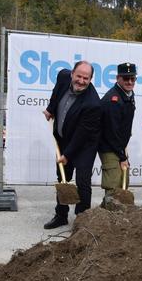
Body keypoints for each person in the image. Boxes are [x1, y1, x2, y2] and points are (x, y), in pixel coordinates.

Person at [42, 60, 101, 229]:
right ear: (72, 74)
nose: (81, 81)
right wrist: (51, 108)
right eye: (79, 76)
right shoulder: (63, 76)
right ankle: (61, 215)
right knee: (63, 178)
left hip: (84, 145)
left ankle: (82, 220)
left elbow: (82, 135)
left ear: (90, 79)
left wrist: (67, 155)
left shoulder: (93, 104)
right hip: (63, 139)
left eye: (86, 78)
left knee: (82, 181)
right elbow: (56, 93)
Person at [98, 62, 137, 202]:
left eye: (133, 78)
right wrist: (122, 157)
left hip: (119, 146)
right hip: (109, 147)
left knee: (123, 182)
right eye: (126, 78)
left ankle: (118, 219)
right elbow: (111, 132)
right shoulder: (112, 100)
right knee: (113, 186)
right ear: (118, 78)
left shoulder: (127, 95)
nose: (130, 82)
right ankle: (107, 219)